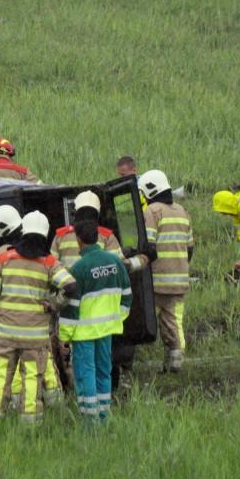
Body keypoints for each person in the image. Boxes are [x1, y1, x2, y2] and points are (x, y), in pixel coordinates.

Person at [0, 211, 77, 430]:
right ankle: (30, 428)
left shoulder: (4, 259)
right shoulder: (48, 262)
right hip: (35, 337)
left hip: (6, 335)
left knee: (1, 379)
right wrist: (54, 303)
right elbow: (70, 286)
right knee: (32, 378)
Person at [59, 219, 132, 424]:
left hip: (83, 333)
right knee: (103, 371)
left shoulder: (79, 268)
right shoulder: (115, 261)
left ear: (78, 240)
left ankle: (90, 421)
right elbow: (127, 294)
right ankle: (104, 414)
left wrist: (64, 337)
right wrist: (118, 317)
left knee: (85, 373)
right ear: (98, 237)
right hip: (107, 329)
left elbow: (71, 307)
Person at [128, 170, 193, 373]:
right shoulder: (183, 211)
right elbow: (190, 247)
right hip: (180, 278)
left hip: (157, 279)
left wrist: (133, 258)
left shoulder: (153, 211)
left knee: (140, 317)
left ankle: (129, 361)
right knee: (173, 319)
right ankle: (175, 361)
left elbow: (148, 246)